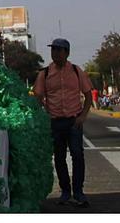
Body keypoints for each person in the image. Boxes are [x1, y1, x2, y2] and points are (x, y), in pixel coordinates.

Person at [33, 38, 93, 208]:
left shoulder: (76, 71)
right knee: (59, 158)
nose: (55, 53)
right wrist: (43, 113)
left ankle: (78, 191)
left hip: (74, 121)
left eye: (59, 50)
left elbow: (88, 94)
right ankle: (65, 191)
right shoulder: (44, 74)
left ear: (67, 53)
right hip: (55, 122)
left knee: (77, 156)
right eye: (53, 50)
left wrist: (82, 116)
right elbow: (38, 96)